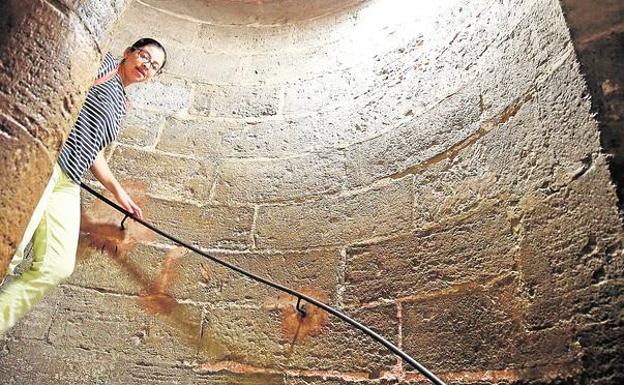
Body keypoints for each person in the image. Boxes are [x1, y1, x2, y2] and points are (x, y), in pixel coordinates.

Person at [0, 38, 167, 334]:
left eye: (154, 66)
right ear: (128, 53)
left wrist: (119, 193)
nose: (146, 66)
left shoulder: (123, 105)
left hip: (69, 181)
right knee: (14, 246)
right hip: (50, 162)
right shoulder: (104, 66)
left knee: (58, 265)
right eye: (144, 56)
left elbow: (93, 150)